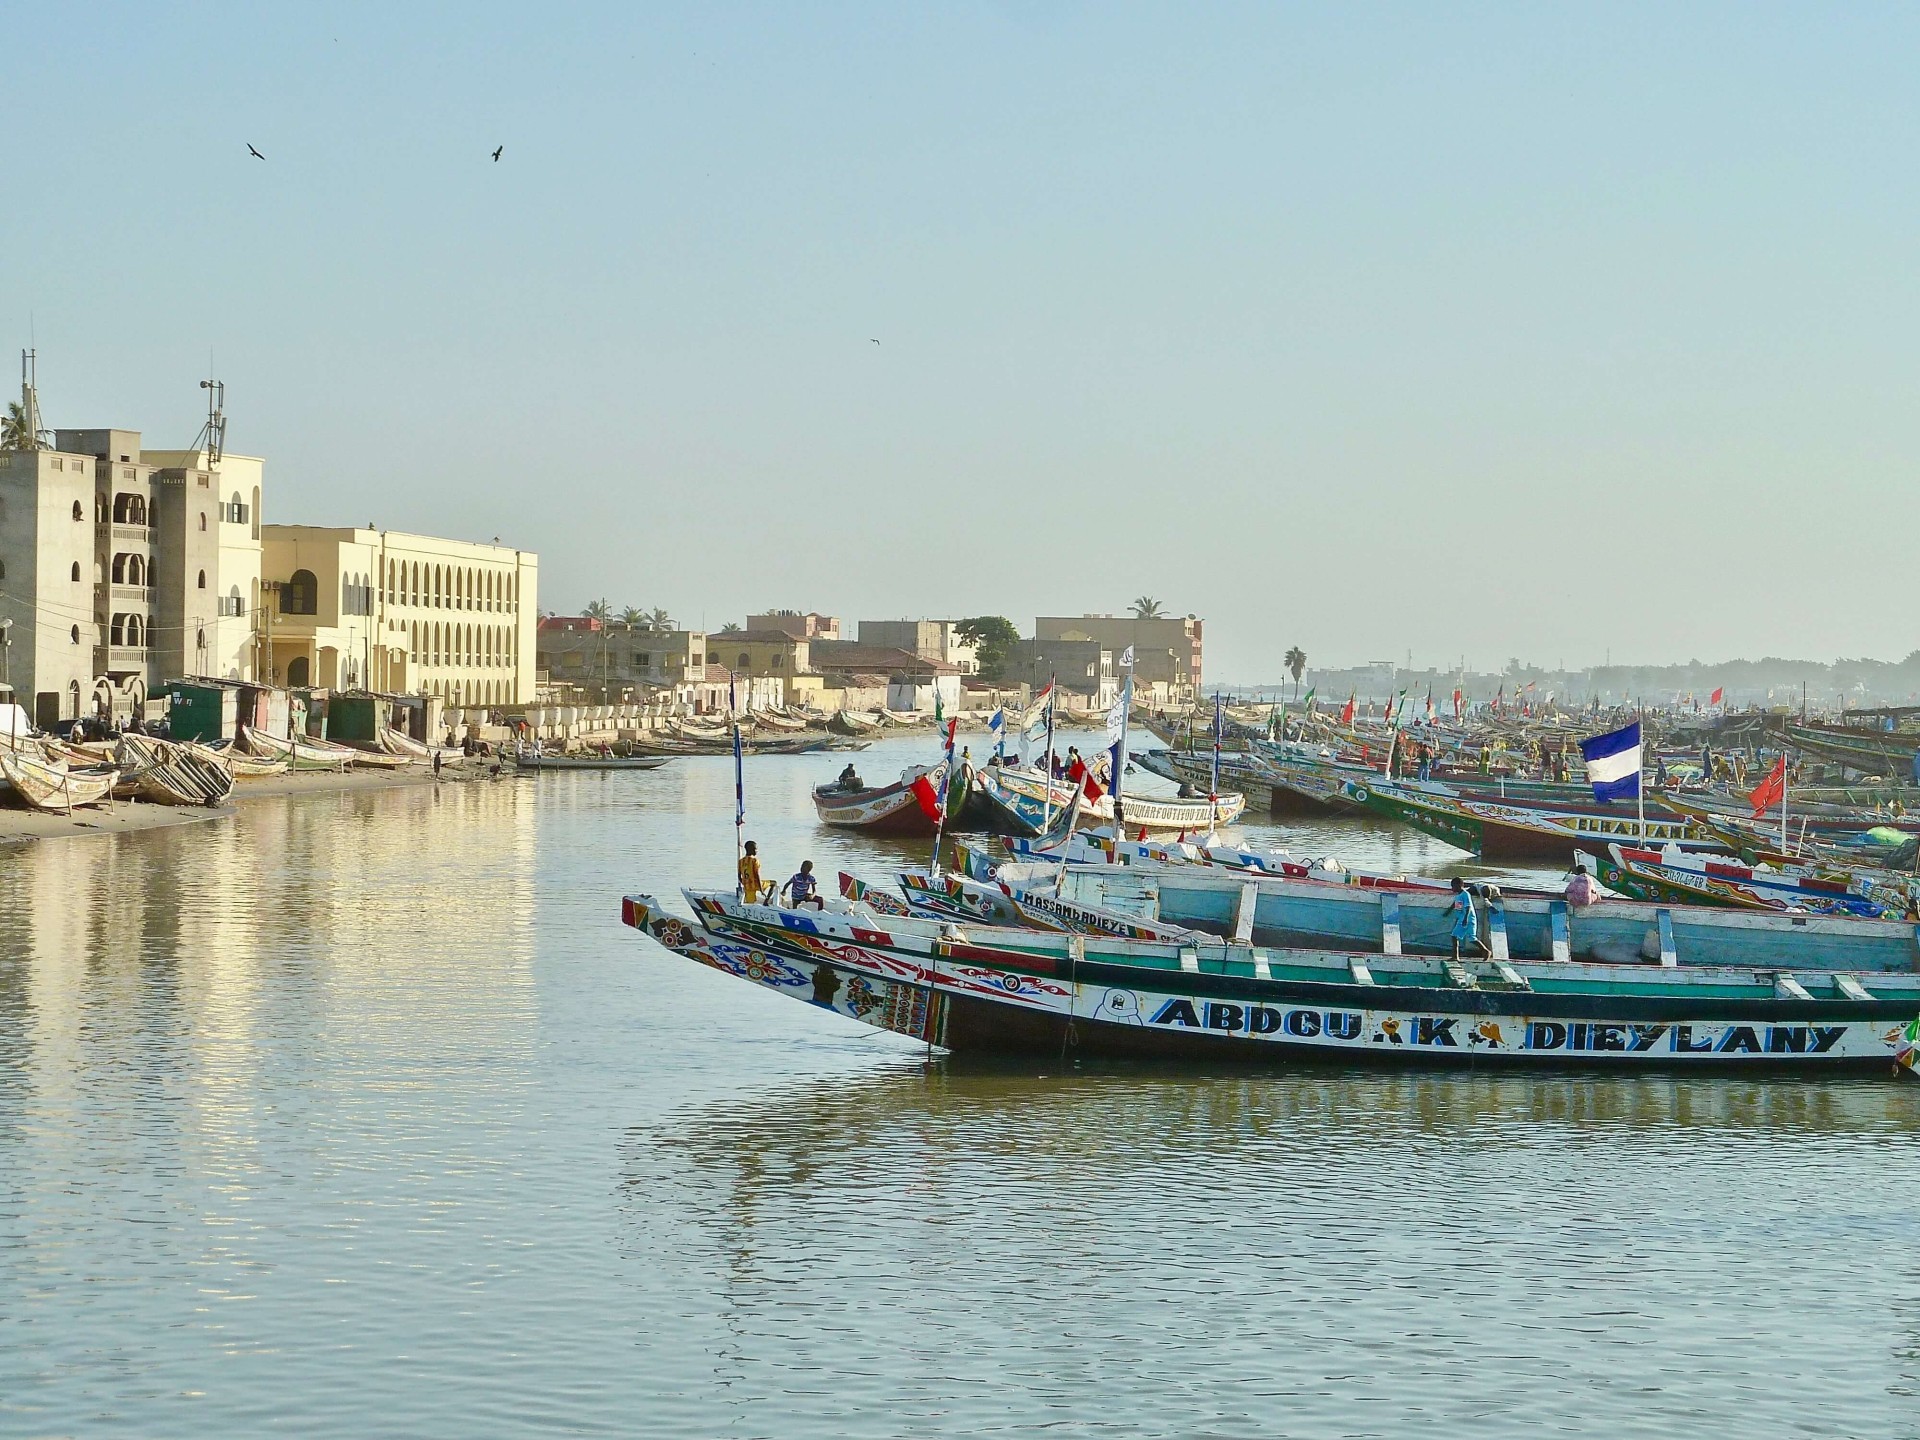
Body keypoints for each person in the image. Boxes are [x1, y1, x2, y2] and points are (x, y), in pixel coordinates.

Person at [1447, 877, 1478, 962]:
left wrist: (1465, 919)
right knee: (1468, 938)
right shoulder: (1458, 896)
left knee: (1458, 937)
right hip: (1461, 919)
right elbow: (1456, 906)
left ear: (1459, 885)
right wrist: (1448, 911)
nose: (1452, 888)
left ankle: (1455, 956)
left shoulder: (1465, 894)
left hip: (1467, 919)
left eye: (1453, 886)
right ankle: (1455, 956)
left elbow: (1468, 907)